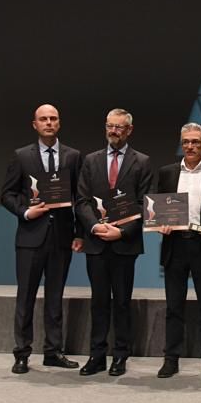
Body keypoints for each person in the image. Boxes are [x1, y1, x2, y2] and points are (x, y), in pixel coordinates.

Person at [0, 103, 82, 374]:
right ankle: (22, 353)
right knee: (26, 297)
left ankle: (53, 351)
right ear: (34, 124)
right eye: (43, 119)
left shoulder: (73, 156)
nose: (49, 122)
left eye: (53, 118)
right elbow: (7, 194)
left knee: (55, 297)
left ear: (59, 123)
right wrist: (25, 211)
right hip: (30, 237)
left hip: (61, 236)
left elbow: (80, 199)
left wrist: (80, 232)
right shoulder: (21, 156)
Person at [74, 108, 153, 378]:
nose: (113, 131)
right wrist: (95, 226)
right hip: (96, 242)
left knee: (121, 302)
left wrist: (123, 232)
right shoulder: (90, 160)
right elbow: (82, 201)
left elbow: (145, 204)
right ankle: (96, 355)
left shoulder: (141, 162)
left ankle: (120, 355)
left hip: (123, 244)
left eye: (119, 127)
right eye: (110, 126)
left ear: (129, 130)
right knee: (98, 301)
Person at [153, 122, 201, 380]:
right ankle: (171, 359)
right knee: (173, 307)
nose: (190, 146)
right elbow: (157, 209)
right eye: (186, 141)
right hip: (174, 245)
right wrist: (159, 223)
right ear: (181, 143)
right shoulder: (166, 172)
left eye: (195, 142)